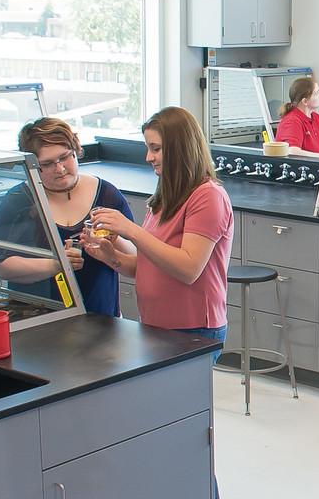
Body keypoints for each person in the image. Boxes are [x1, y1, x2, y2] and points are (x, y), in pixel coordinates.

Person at [86, 107, 231, 355]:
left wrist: (130, 230)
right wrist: (111, 256)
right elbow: (149, 267)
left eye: (156, 149)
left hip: (192, 328)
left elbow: (188, 269)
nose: (148, 157)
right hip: (157, 324)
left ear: (180, 148)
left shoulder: (207, 196)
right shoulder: (165, 197)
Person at [0, 117, 133, 316]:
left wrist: (111, 241)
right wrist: (57, 264)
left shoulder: (107, 194)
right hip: (37, 319)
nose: (60, 169)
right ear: (32, 166)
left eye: (65, 157)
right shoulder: (19, 202)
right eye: (47, 164)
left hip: (101, 317)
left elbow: (134, 260)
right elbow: (3, 266)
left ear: (76, 151)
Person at [274, 76, 319, 156]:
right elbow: (292, 151)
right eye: (316, 93)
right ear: (305, 101)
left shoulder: (318, 118)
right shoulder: (292, 121)